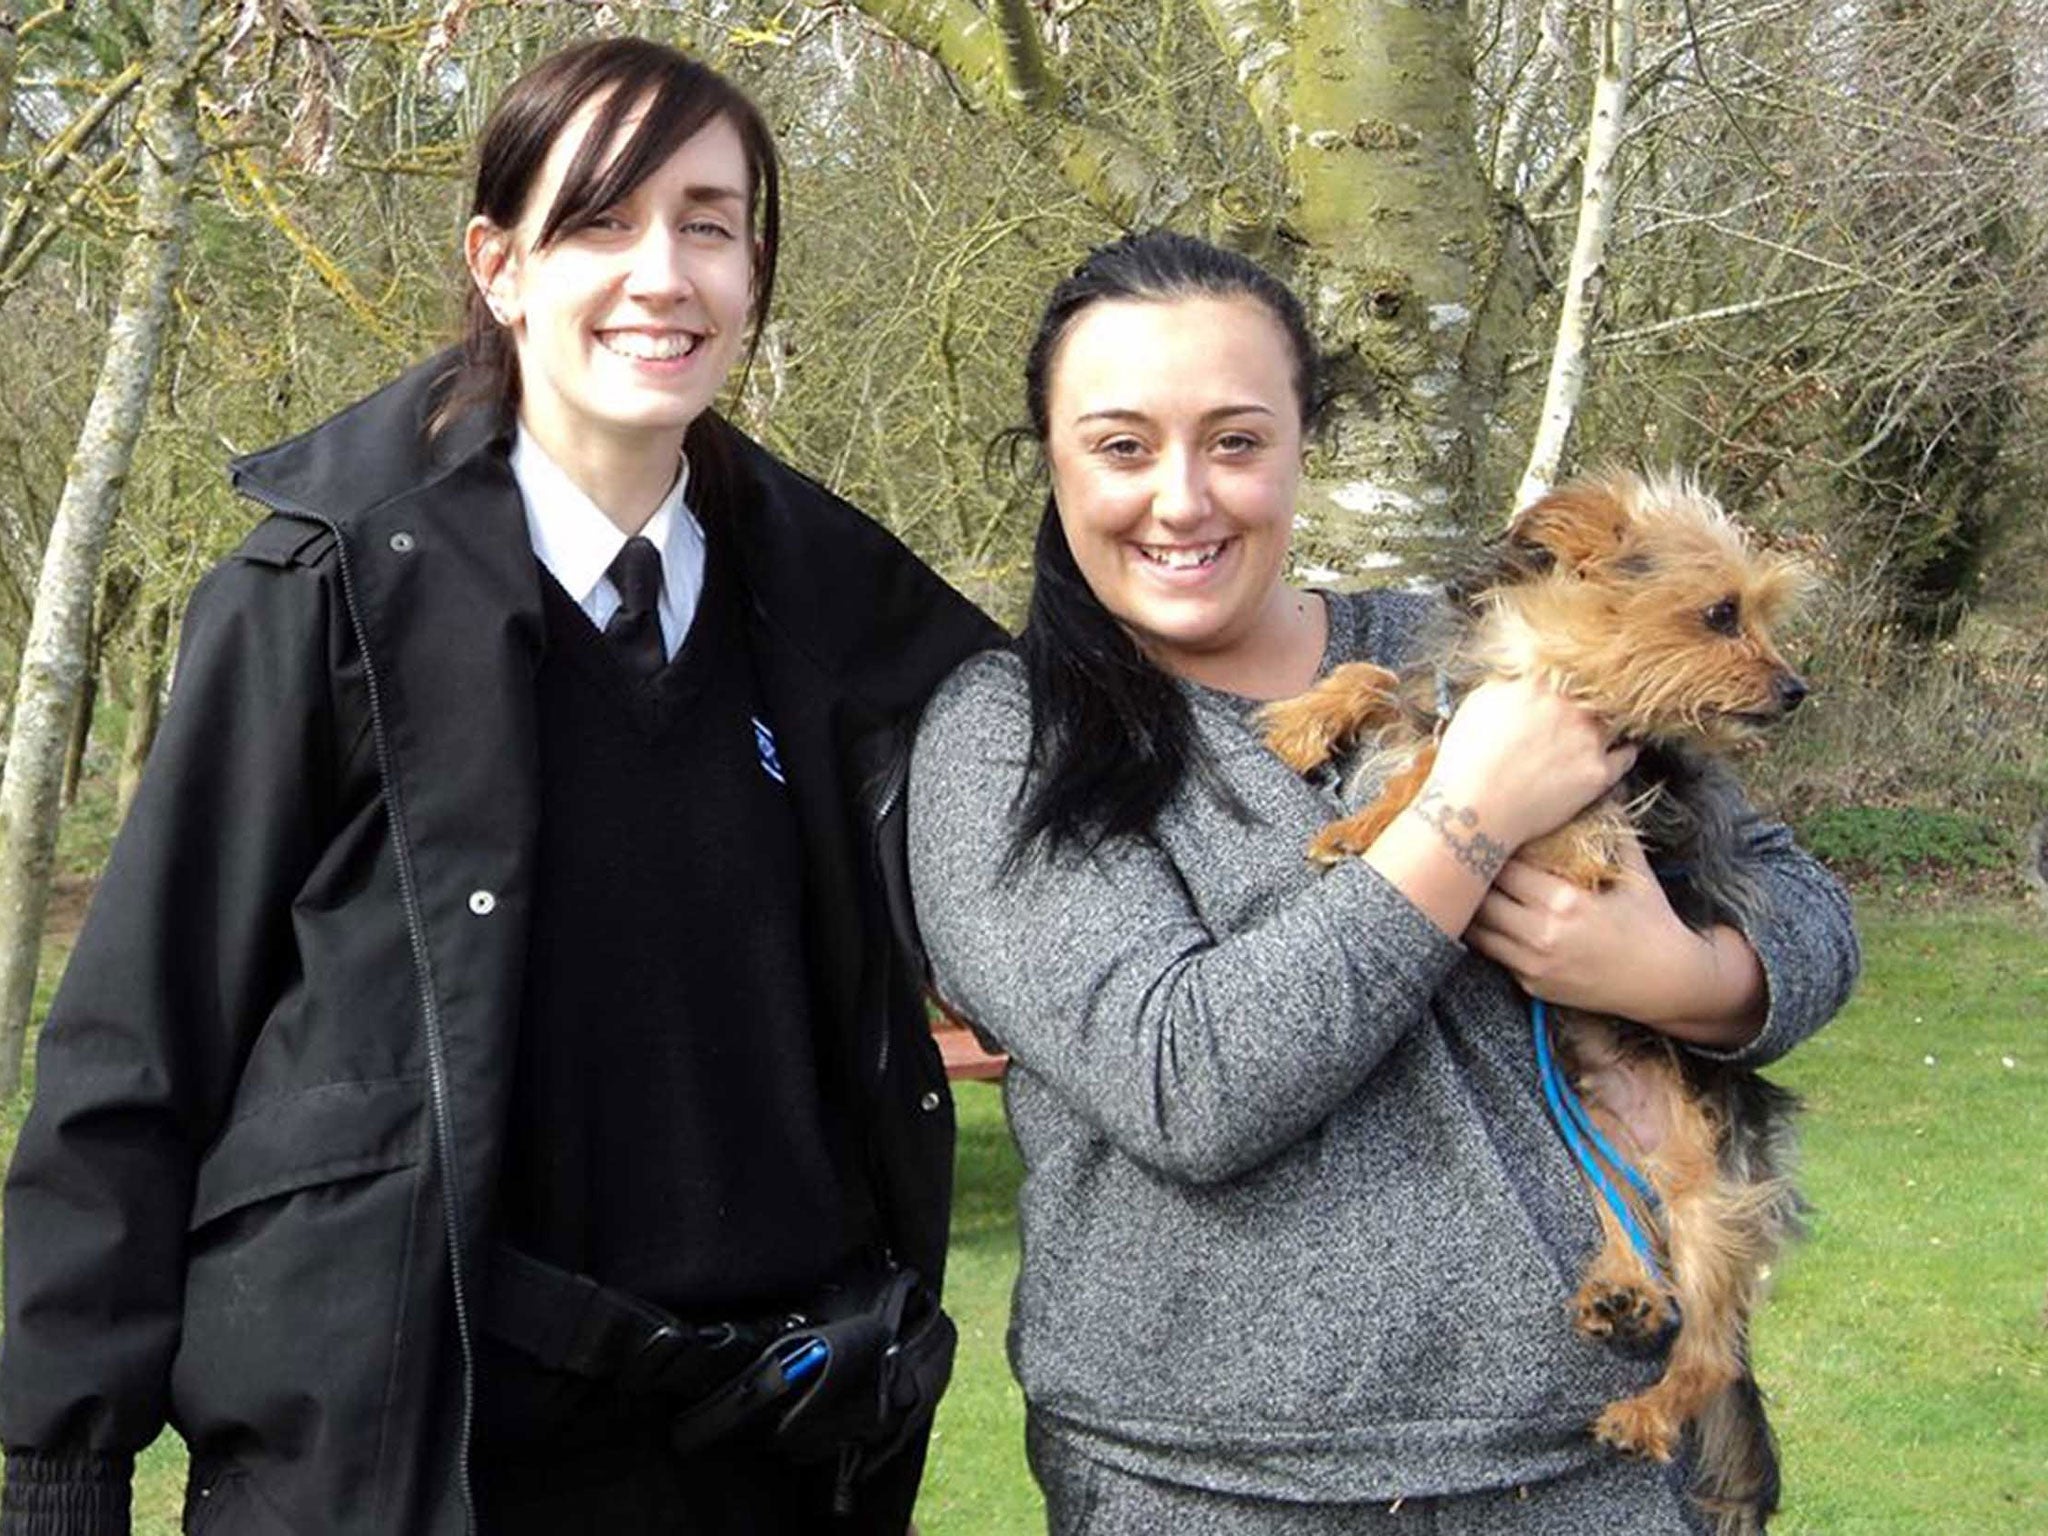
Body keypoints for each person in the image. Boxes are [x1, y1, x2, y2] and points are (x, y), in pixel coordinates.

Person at [0, 36, 998, 1536]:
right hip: (412, 1464)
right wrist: (57, 1462)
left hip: (763, 1463)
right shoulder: (321, 589)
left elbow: (1084, 793)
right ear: (500, 264)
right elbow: (140, 1044)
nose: (661, 271)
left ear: (754, 275)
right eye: (600, 220)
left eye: (708, 223)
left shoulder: (844, 610)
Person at [906, 230, 1859, 1533]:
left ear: (1306, 446)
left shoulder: (1464, 641)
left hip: (1592, 1479)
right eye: (1122, 446)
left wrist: (1684, 976)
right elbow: (1190, 1083)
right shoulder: (1010, 734)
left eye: (1236, 441)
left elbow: (1806, 913)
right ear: (1057, 461)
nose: (1181, 499)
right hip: (1210, 1496)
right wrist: (1471, 814)